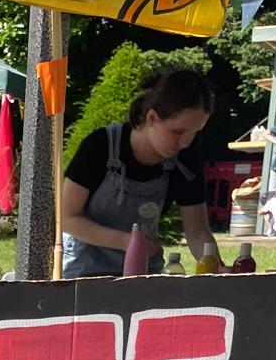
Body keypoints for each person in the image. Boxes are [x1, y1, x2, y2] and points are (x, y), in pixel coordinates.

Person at [61, 68, 222, 277]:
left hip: (145, 272)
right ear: (152, 117)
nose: (185, 143)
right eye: (177, 131)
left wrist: (218, 269)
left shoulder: (185, 162)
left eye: (194, 133)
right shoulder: (100, 146)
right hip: (85, 270)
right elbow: (66, 217)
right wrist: (125, 241)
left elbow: (198, 232)